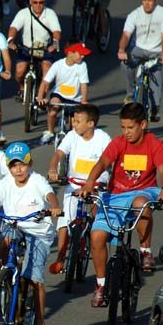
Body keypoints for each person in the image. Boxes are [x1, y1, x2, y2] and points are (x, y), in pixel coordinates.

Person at [75, 102, 163, 307]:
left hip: (143, 191)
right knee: (96, 236)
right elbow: (102, 163)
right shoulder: (119, 143)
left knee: (141, 202)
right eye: (123, 127)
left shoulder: (155, 144)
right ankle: (101, 285)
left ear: (143, 125)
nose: (126, 132)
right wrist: (89, 184)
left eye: (130, 127)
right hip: (115, 196)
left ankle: (145, 252)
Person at [0, 142, 62, 325]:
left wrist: (53, 206)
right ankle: (2, 275)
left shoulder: (37, 180)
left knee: (35, 279)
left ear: (30, 163)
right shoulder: (7, 181)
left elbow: (49, 194)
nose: (18, 169)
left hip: (38, 232)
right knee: (3, 242)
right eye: (13, 165)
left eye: (22, 165)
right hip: (15, 226)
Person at [46, 103, 111, 273]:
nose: (74, 124)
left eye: (78, 121)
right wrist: (53, 168)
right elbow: (59, 154)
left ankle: (101, 248)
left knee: (99, 219)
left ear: (91, 123)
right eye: (73, 121)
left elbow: (111, 160)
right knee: (64, 218)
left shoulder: (103, 138)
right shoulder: (71, 136)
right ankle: (60, 258)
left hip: (98, 184)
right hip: (74, 184)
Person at [118, 0, 163, 122]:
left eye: (150, 1)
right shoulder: (134, 14)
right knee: (125, 64)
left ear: (155, 1)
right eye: (144, 0)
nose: (147, 4)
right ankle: (130, 95)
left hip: (156, 51)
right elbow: (126, 34)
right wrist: (121, 50)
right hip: (139, 49)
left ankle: (154, 109)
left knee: (156, 80)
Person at [7, 0, 62, 96]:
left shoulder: (50, 13)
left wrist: (54, 44)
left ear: (44, 3)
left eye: (41, 2)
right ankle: (22, 87)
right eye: (35, 2)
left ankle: (42, 95)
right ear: (30, 2)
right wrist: (10, 40)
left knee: (47, 69)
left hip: (44, 49)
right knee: (19, 71)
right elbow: (14, 28)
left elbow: (56, 31)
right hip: (26, 48)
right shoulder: (23, 13)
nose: (38, 5)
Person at [37, 40, 91, 145]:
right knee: (53, 110)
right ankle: (50, 132)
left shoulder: (82, 65)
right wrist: (40, 97)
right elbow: (45, 82)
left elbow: (84, 84)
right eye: (80, 54)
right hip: (59, 94)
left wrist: (84, 100)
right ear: (70, 53)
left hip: (75, 98)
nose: (83, 57)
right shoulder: (58, 65)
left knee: (73, 125)